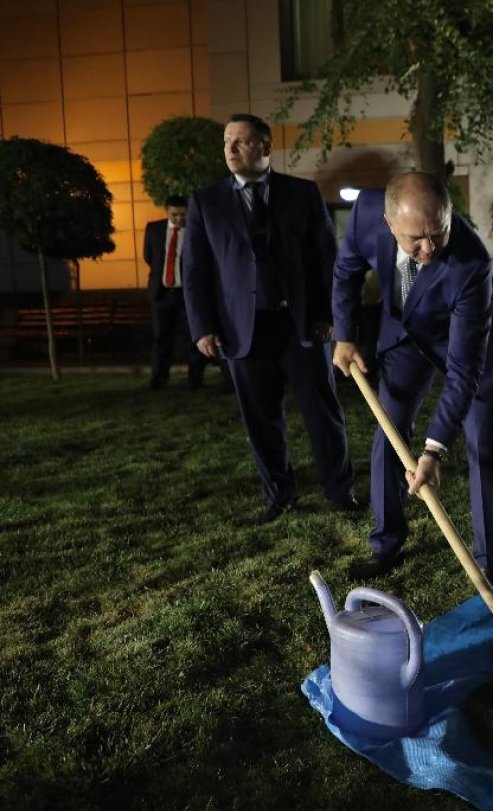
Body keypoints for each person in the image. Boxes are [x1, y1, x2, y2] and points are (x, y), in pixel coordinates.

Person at [331, 172, 493, 583]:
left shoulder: (472, 263)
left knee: (481, 439)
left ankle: (492, 559)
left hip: (470, 340)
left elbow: (463, 371)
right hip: (407, 333)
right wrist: (345, 336)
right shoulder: (364, 213)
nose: (429, 248)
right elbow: (346, 270)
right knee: (388, 430)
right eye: (416, 238)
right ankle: (385, 544)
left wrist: (433, 452)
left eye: (438, 233)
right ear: (388, 222)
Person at [183, 113, 360, 523]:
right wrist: (203, 327)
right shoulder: (206, 201)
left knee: (323, 413)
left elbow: (326, 259)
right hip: (242, 331)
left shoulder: (302, 193)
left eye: (241, 141)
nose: (230, 149)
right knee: (261, 421)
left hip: (302, 327)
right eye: (226, 142)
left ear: (265, 146)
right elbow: (195, 269)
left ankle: (340, 491)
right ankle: (279, 495)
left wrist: (330, 315)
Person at [143, 196, 217, 390]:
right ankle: (159, 378)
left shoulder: (195, 228)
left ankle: (195, 380)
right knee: (161, 338)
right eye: (174, 215)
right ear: (166, 211)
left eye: (183, 215)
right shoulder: (154, 229)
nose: (179, 219)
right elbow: (149, 257)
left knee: (194, 337)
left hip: (188, 294)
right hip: (162, 293)